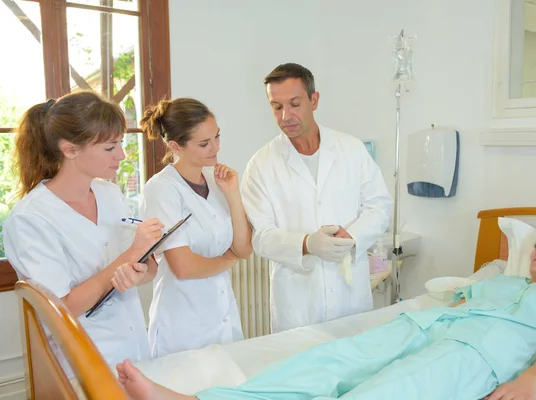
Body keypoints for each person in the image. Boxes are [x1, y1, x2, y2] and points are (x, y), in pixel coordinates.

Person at [116, 222, 536, 399]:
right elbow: (449, 293)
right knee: (329, 362)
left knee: (385, 390)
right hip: (423, 324)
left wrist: (530, 381)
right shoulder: (501, 278)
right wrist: (461, 294)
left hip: (474, 353)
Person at [3, 91, 163, 368]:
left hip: (135, 346)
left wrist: (139, 270)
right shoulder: (30, 219)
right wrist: (130, 255)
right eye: (110, 147)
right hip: (83, 359)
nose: (122, 155)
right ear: (70, 149)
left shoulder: (111, 195)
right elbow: (62, 307)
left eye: (121, 143)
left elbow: (149, 269)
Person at [240, 63, 393, 333]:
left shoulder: (350, 149)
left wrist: (352, 236)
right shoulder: (261, 165)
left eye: (295, 103)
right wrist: (306, 244)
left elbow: (379, 205)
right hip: (298, 307)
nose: (285, 115)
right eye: (276, 106)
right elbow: (260, 237)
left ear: (314, 100)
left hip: (350, 299)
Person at [139, 98, 252, 358]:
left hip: (223, 318)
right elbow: (184, 266)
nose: (215, 147)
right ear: (175, 146)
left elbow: (244, 249)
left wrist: (233, 194)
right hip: (183, 326)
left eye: (217, 137)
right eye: (204, 143)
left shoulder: (217, 180)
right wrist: (228, 259)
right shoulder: (162, 189)